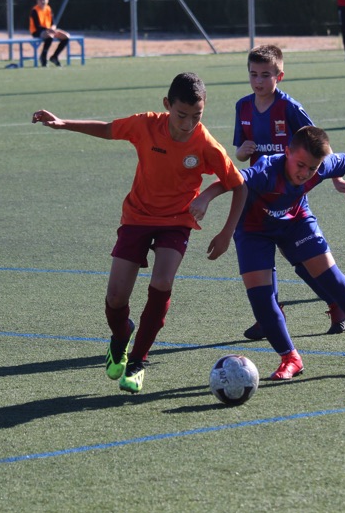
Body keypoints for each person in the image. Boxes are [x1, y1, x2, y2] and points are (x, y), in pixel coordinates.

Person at [31, 72, 247, 393]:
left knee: (162, 282)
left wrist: (223, 225)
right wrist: (63, 123)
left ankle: (137, 361)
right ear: (166, 105)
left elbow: (237, 185)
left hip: (177, 221)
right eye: (181, 115)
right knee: (116, 298)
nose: (188, 123)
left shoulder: (205, 144)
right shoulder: (146, 125)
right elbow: (107, 129)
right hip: (137, 217)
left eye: (196, 116)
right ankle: (122, 335)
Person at [193, 126, 345, 381]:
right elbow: (233, 181)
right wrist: (206, 199)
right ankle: (290, 358)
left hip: (295, 221)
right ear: (286, 152)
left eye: (311, 168)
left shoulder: (317, 167)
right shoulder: (266, 170)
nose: (305, 173)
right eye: (300, 165)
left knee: (332, 278)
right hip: (254, 230)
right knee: (262, 300)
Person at [230, 44, 345, 340]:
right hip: (256, 196)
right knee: (260, 259)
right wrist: (240, 151)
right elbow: (240, 150)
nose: (258, 81)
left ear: (279, 76)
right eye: (253, 74)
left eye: (265, 75)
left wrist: (337, 176)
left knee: (301, 260)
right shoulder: (243, 107)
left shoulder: (289, 108)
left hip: (289, 195)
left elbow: (318, 145)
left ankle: (335, 301)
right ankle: (268, 315)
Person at [29, 0, 71, 67]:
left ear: (47, 0)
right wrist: (50, 30)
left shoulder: (48, 8)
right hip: (37, 31)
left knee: (66, 36)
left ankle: (54, 57)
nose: (42, 1)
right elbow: (37, 26)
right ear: (37, 1)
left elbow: (53, 22)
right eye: (40, 0)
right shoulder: (34, 10)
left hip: (49, 30)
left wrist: (53, 28)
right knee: (50, 36)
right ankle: (43, 56)